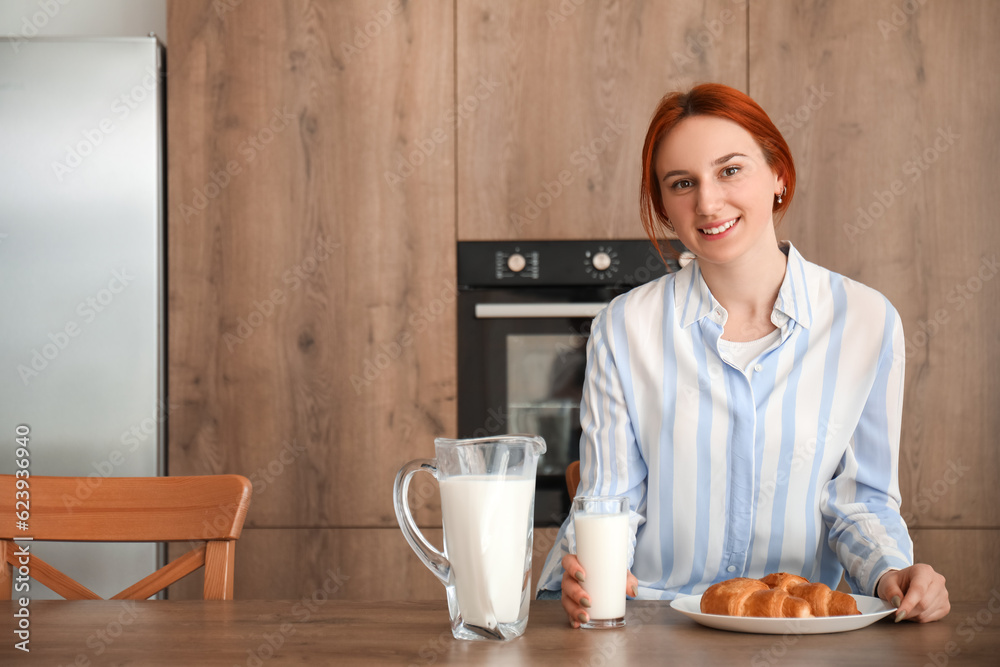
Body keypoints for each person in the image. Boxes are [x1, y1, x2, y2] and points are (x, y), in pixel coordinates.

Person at [535, 83, 950, 626]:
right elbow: (607, 502)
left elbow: (861, 501)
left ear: (778, 174)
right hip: (654, 623)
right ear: (663, 206)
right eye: (682, 183)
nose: (707, 202)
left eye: (730, 170)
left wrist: (893, 574)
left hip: (800, 630)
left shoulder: (866, 321)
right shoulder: (624, 327)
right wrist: (586, 576)